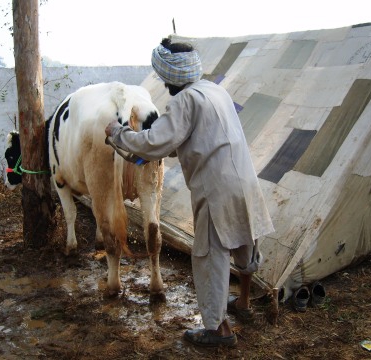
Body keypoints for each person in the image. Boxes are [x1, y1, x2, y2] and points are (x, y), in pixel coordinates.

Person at [105, 38, 275, 348]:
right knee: (244, 241)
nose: (163, 82)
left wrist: (117, 133)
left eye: (163, 76)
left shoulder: (183, 101)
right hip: (244, 180)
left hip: (215, 189)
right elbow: (197, 136)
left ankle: (219, 330)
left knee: (210, 255)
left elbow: (153, 143)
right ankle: (245, 302)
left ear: (171, 76)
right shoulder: (215, 91)